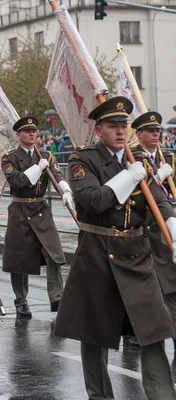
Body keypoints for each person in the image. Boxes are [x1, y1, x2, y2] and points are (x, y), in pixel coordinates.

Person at [54, 97, 176, 400]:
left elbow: (160, 203)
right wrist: (127, 177)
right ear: (100, 130)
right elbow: (94, 200)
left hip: (136, 253)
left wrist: (175, 233)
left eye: (124, 126)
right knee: (94, 333)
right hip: (97, 252)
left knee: (153, 330)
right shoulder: (82, 160)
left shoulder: (138, 161)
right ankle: (100, 395)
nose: (121, 131)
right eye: (113, 126)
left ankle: (162, 394)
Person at [1, 116, 71, 318]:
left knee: (55, 254)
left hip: (41, 209)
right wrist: (38, 168)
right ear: (19, 135)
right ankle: (21, 300)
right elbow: (19, 181)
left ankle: (56, 297)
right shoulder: (10, 158)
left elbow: (57, 175)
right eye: (27, 131)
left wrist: (65, 191)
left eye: (34, 131)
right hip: (20, 211)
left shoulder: (46, 155)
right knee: (18, 260)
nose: (32, 134)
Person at [130, 111, 176, 350]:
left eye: (157, 130)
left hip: (166, 226)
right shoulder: (133, 157)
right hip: (143, 226)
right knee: (141, 284)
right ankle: (132, 329)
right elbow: (140, 189)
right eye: (150, 131)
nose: (155, 134)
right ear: (138, 135)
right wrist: (158, 175)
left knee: (170, 284)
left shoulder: (166, 156)